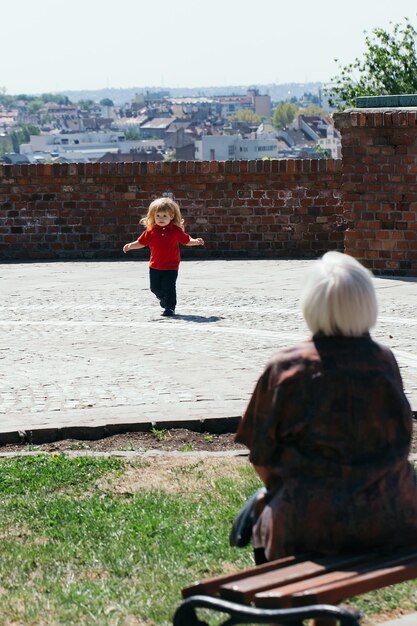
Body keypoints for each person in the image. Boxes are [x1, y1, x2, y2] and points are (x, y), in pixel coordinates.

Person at [234, 251, 417, 564]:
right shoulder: (384, 361)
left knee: (263, 510)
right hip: (392, 519)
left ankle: (297, 610)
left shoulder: (286, 368)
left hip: (308, 528)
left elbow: (261, 456)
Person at [123, 197, 204, 317]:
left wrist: (196, 241)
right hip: (155, 265)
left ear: (171, 216)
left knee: (169, 287)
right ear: (153, 217)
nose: (161, 219)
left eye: (164, 216)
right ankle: (164, 300)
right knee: (154, 288)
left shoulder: (175, 230)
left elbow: (186, 240)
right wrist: (130, 246)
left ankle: (170, 308)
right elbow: (141, 242)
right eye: (158, 216)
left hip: (171, 265)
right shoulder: (151, 231)